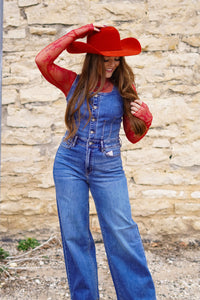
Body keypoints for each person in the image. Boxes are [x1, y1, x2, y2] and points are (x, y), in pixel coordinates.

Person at [35, 24, 156, 300]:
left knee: (123, 235)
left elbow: (132, 135)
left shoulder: (125, 86)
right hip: (69, 164)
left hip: (108, 168)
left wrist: (146, 119)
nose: (112, 64)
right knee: (75, 237)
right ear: (93, 58)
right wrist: (79, 32)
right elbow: (42, 60)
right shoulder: (72, 83)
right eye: (105, 58)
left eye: (116, 58)